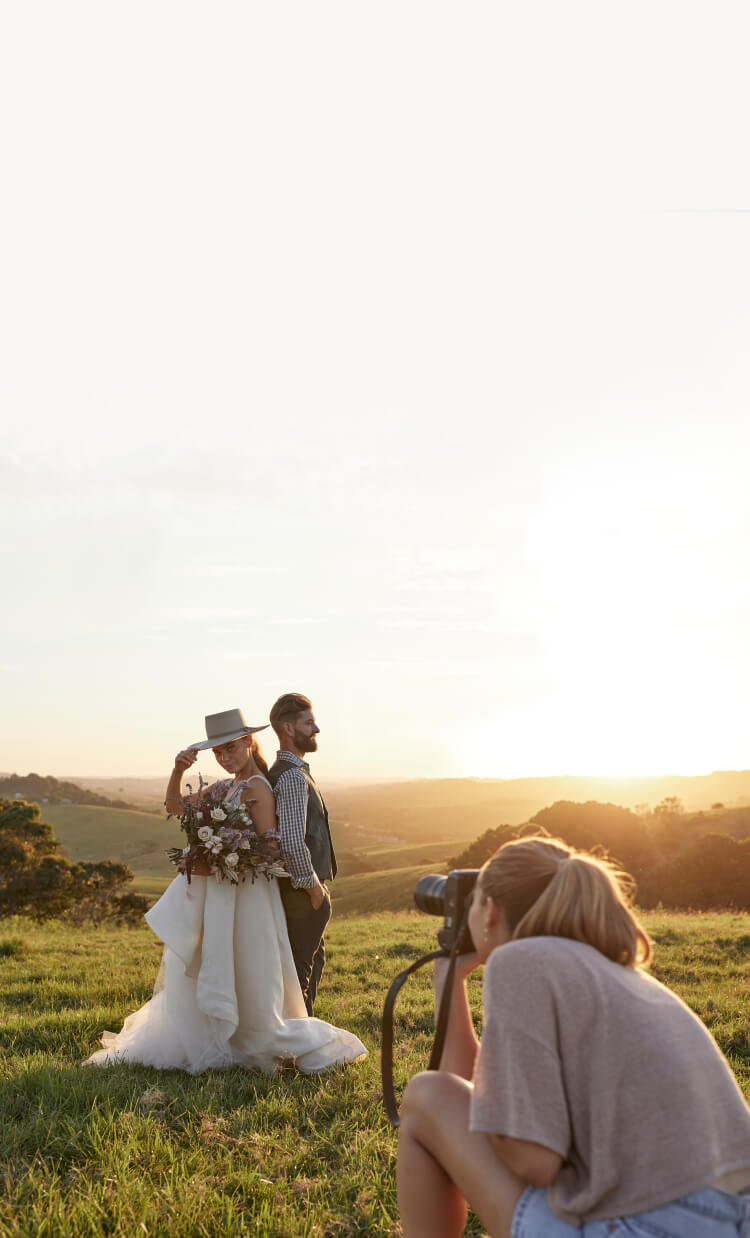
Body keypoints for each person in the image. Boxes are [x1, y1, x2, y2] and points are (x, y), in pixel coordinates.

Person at [397, 835, 750, 1238]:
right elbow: (473, 1099)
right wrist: (450, 982)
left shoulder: (523, 961)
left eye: (472, 901)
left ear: (490, 911)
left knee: (425, 1097)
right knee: (437, 1096)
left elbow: (534, 1161)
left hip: (652, 1226)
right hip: (729, 1219)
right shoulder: (613, 972)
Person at [84, 708, 366, 1074]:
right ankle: (220, 1034)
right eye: (217, 752)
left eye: (230, 747)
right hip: (224, 893)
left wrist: (226, 850)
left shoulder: (258, 788)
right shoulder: (224, 787)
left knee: (251, 966)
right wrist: (178, 772)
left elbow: (272, 846)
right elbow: (174, 807)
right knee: (221, 961)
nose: (224, 757)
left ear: (249, 742)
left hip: (250, 894)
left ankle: (262, 1035)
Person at [267, 693, 334, 1016]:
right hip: (302, 893)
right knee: (299, 974)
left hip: (297, 892)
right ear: (287, 729)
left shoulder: (284, 771)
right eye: (308, 723)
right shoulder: (293, 777)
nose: (316, 728)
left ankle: (304, 1037)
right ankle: (298, 1050)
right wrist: (314, 888)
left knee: (309, 962)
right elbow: (293, 843)